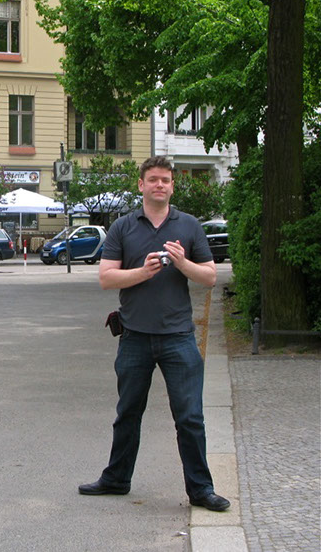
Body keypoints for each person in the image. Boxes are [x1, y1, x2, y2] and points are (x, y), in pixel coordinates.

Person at [78, 155, 230, 512]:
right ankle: (116, 479)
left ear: (172, 186)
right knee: (128, 413)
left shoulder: (189, 226)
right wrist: (142, 272)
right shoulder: (123, 227)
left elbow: (209, 277)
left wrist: (182, 263)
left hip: (179, 338)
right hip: (134, 336)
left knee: (190, 417)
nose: (159, 185)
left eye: (165, 180)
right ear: (141, 185)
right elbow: (106, 278)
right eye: (153, 180)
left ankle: (201, 490)